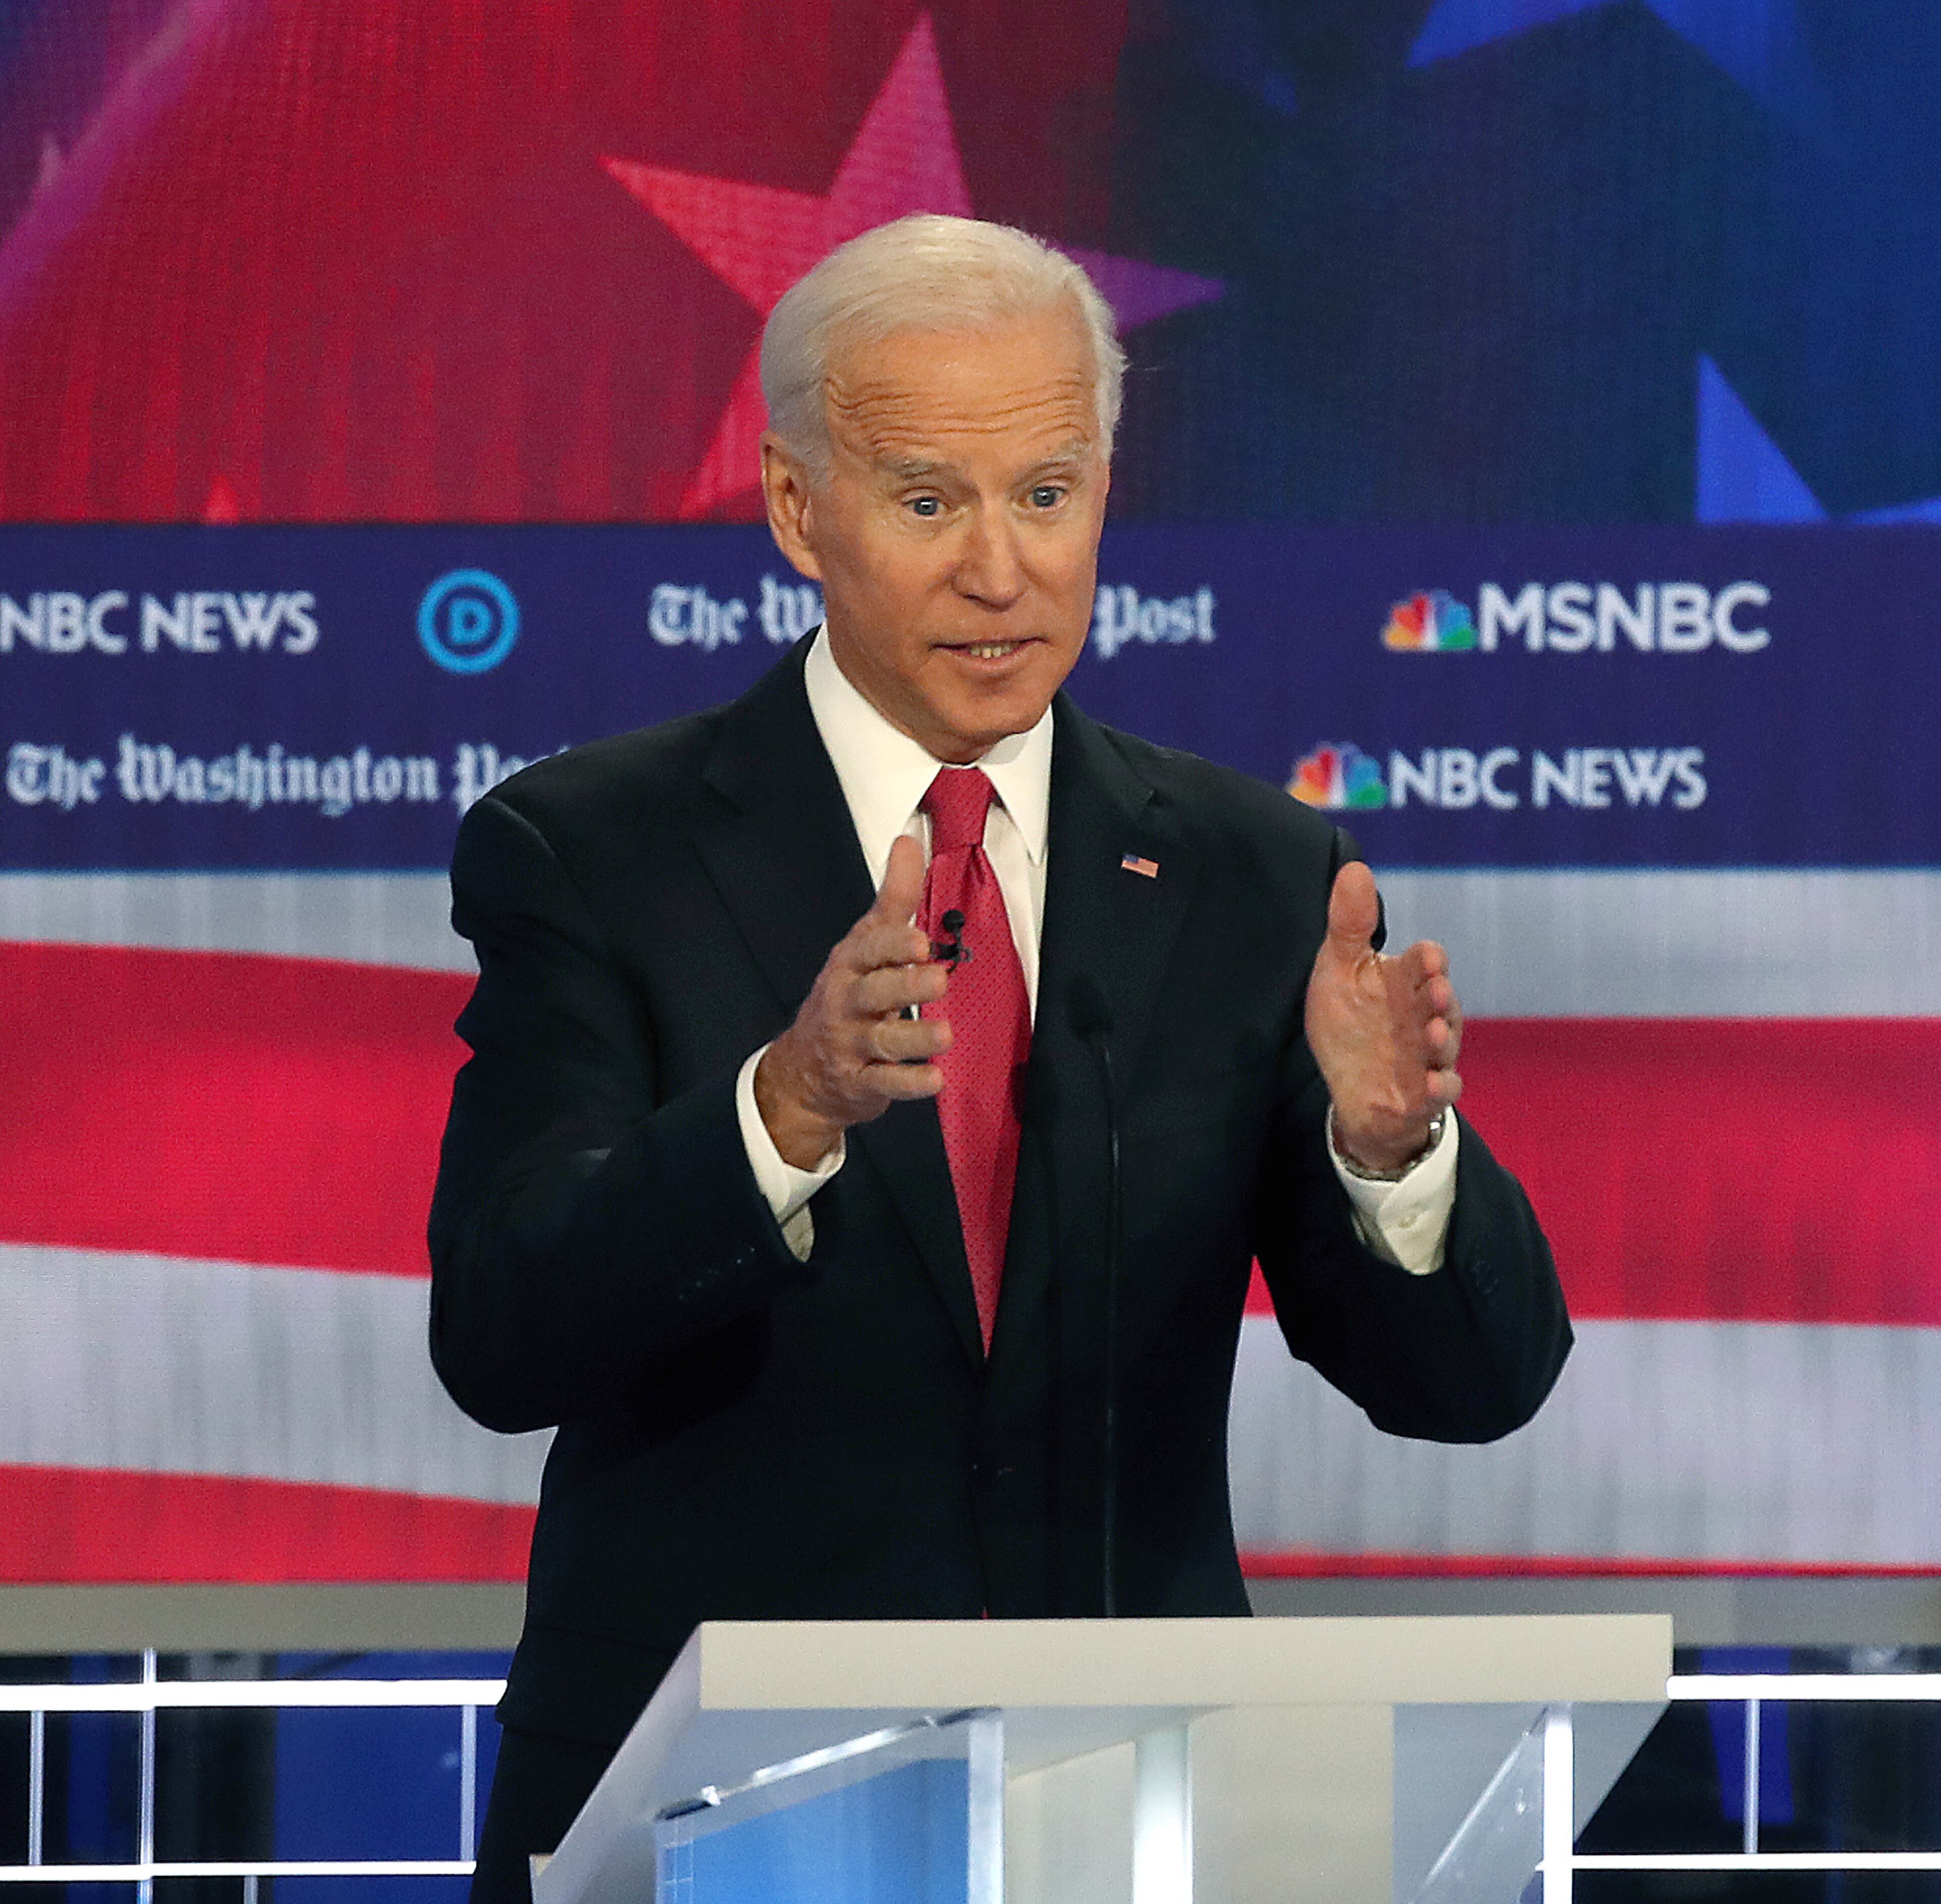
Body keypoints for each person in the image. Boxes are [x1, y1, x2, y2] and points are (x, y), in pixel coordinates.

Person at [428, 213, 1570, 1900]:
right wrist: (785, 1110)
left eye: (1047, 494)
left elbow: (1474, 1389)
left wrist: (1390, 1160)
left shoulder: (1254, 874)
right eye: (928, 500)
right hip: (695, 1824)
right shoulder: (592, 849)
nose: (1001, 570)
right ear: (799, 508)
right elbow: (505, 1332)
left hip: (1125, 1812)